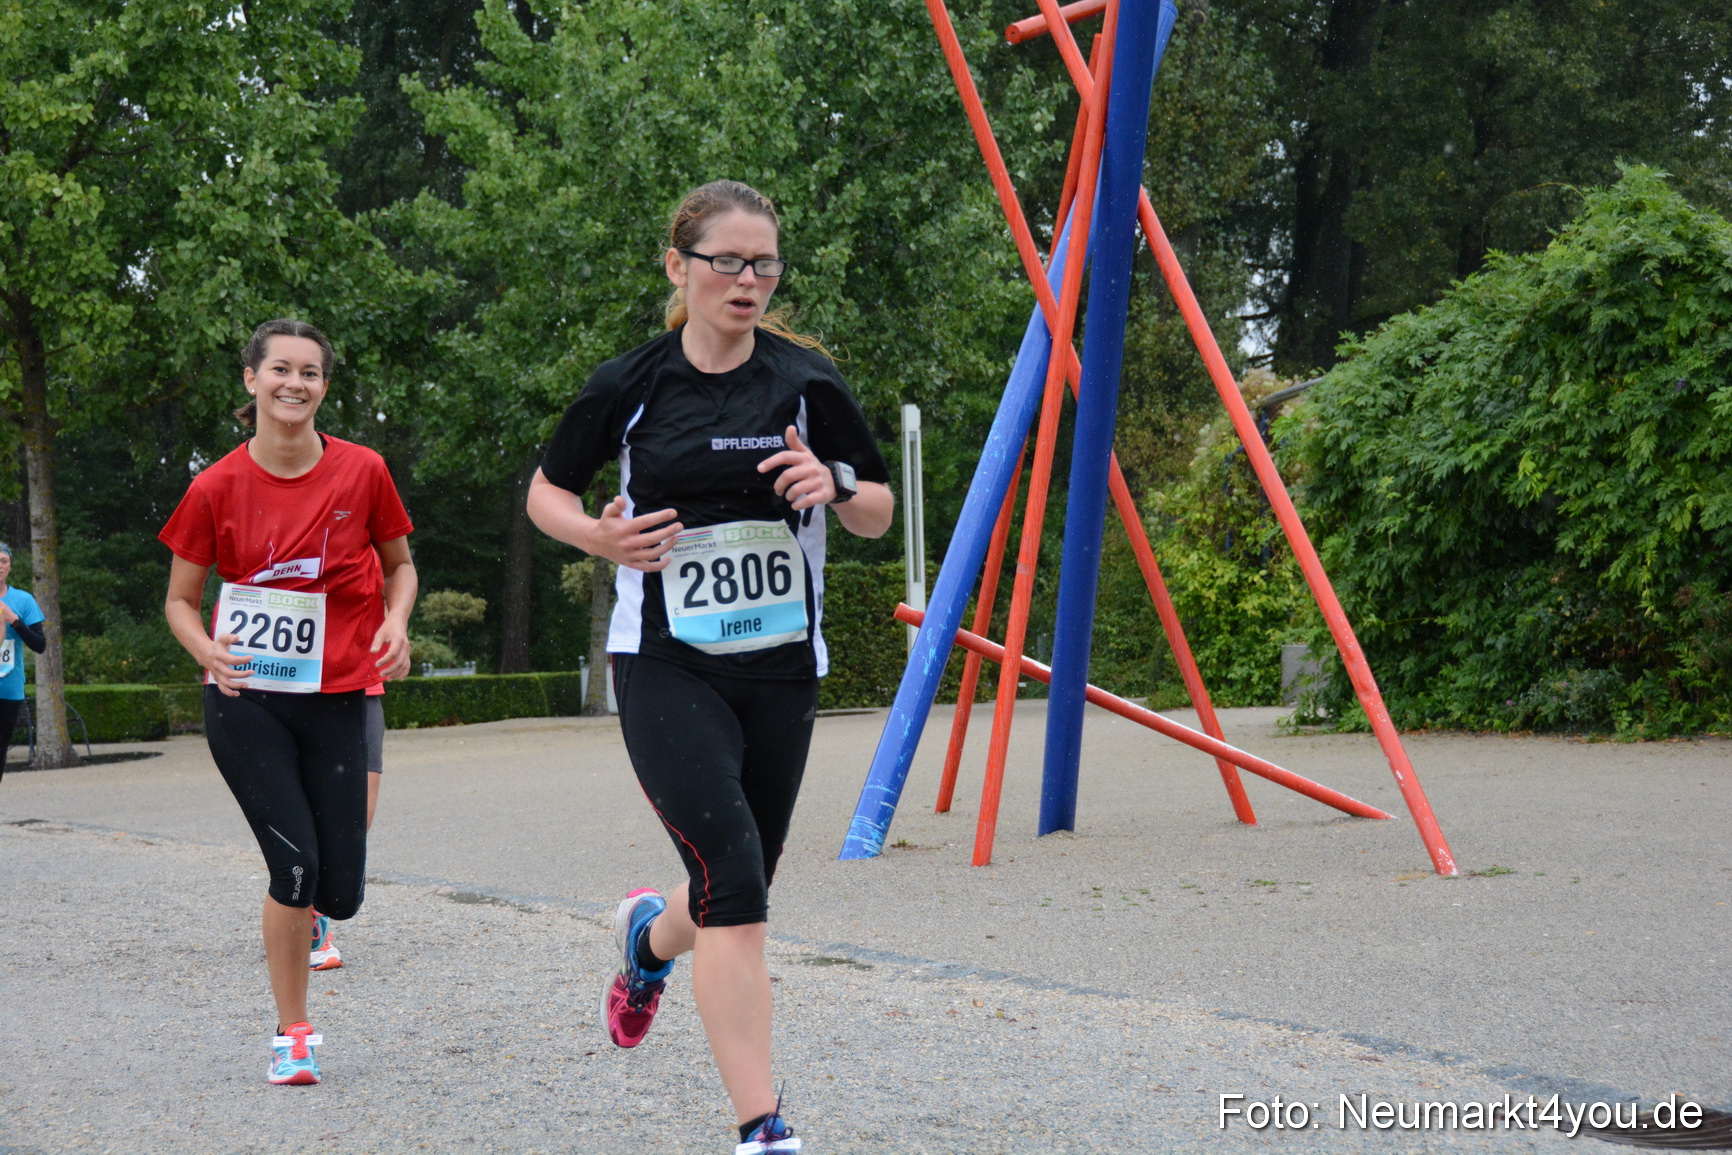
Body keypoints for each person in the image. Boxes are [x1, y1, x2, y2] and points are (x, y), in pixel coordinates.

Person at [527, 179, 892, 1154]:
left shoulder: (806, 382)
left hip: (780, 668)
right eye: (725, 261)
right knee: (737, 877)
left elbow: (877, 508)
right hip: (666, 664)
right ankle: (761, 1126)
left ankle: (648, 940)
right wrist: (598, 543)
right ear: (677, 266)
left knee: (741, 876)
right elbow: (547, 494)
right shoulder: (631, 383)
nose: (746, 280)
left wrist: (837, 480)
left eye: (763, 263)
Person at [161, 318, 417, 1085]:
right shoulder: (213, 486)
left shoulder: (364, 470)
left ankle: (315, 931)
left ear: (324, 387)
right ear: (251, 379)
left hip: (339, 694)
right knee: (295, 868)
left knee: (340, 888)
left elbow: (401, 565)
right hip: (249, 700)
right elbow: (179, 599)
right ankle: (292, 1031)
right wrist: (206, 650)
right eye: (280, 369)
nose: (294, 383)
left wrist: (396, 623)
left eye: (310, 372)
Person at [308, 681, 385, 972]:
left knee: (354, 824)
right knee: (296, 824)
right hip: (292, 688)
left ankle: (308, 906)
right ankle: (308, 919)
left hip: (361, 688)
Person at [0, 542, 46, 781]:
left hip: (9, 689)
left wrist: (15, 621)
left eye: (3, 561)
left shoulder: (23, 600)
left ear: (10, 566)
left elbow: (40, 645)